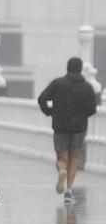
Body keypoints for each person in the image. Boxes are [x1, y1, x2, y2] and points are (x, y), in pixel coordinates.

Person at [37, 57, 97, 202]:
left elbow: (42, 98)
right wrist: (82, 116)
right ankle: (69, 191)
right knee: (74, 158)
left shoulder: (58, 84)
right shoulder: (87, 87)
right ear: (80, 69)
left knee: (62, 157)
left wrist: (50, 112)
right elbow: (92, 108)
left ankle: (62, 170)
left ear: (67, 68)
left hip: (60, 126)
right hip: (79, 128)